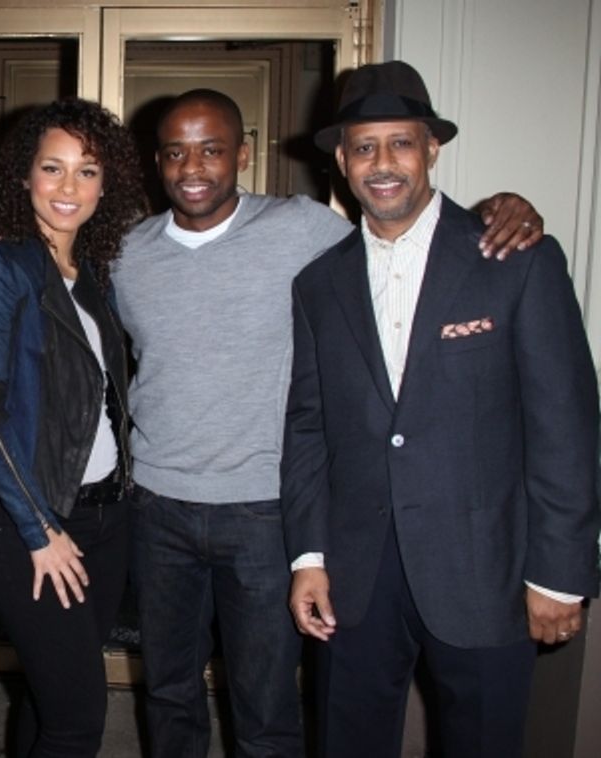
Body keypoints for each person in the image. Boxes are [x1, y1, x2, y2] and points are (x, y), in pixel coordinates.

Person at [112, 87, 547, 757]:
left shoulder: (303, 229)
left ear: (243, 155)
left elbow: (405, 235)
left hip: (263, 509)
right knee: (167, 691)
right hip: (158, 507)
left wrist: (502, 210)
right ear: (157, 161)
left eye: (211, 150)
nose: (192, 167)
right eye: (175, 152)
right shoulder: (125, 253)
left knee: (266, 702)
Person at [281, 60, 600, 758]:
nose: (383, 162)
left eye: (401, 142)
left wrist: (559, 574)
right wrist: (308, 556)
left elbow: (566, 427)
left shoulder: (515, 259)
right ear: (341, 160)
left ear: (431, 148)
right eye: (364, 146)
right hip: (354, 576)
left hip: (486, 569)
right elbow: (307, 425)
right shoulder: (317, 284)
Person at [0, 99, 147, 757]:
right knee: (78, 718)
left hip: (102, 519)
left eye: (86, 171)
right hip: (31, 526)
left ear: (106, 183)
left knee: (50, 699)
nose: (68, 188)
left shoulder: (89, 274)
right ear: (24, 177)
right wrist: (40, 528)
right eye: (53, 168)